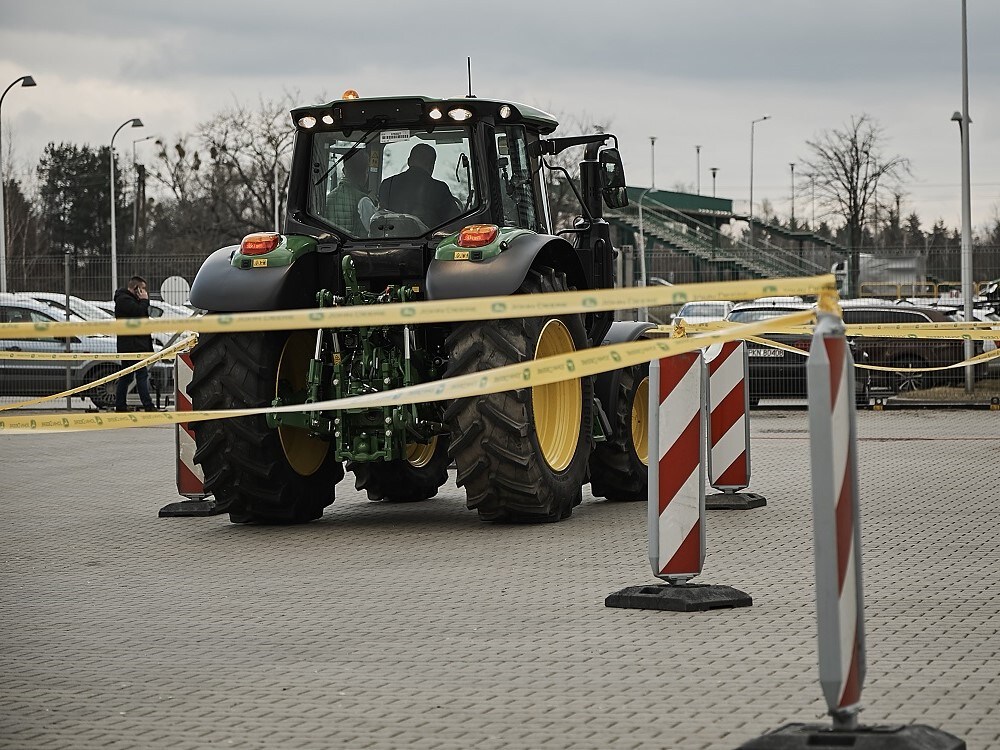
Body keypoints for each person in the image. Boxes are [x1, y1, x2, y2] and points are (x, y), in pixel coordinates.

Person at [378, 143, 457, 229]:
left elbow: (381, 216)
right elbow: (454, 222)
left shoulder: (387, 184)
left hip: (389, 240)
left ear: (409, 161)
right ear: (431, 165)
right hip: (428, 241)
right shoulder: (440, 188)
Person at [113, 275, 158, 413]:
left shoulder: (131, 300)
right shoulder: (124, 301)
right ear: (136, 288)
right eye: (143, 289)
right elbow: (138, 313)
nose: (145, 292)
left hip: (136, 344)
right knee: (140, 375)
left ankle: (120, 405)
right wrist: (144, 301)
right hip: (132, 346)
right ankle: (148, 405)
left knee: (127, 376)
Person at [329, 150, 371, 236]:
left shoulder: (328, 198)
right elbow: (374, 231)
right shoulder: (364, 201)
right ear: (365, 174)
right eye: (367, 172)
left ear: (344, 171)